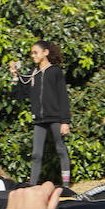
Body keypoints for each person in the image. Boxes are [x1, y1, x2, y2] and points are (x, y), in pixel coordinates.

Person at [9, 40, 71, 187]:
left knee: (61, 149)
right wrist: (15, 76)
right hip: (39, 119)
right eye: (31, 53)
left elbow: (63, 96)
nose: (33, 56)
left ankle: (67, 186)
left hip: (55, 117)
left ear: (45, 53)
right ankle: (32, 185)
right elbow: (20, 95)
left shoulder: (55, 71)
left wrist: (65, 121)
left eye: (35, 52)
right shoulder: (32, 74)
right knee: (36, 154)